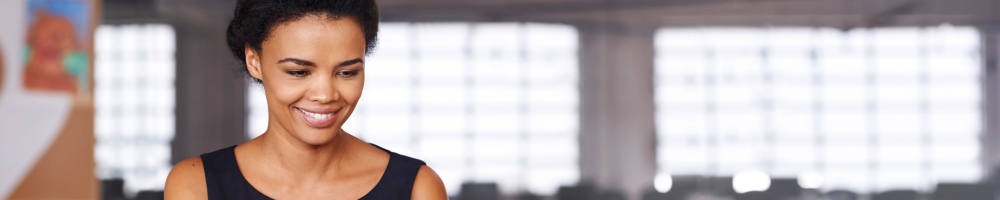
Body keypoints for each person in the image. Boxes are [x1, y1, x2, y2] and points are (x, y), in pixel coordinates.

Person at [164, 0, 448, 199]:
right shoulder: (197, 184)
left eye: (347, 72)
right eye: (299, 72)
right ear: (254, 61)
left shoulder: (416, 188)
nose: (325, 95)